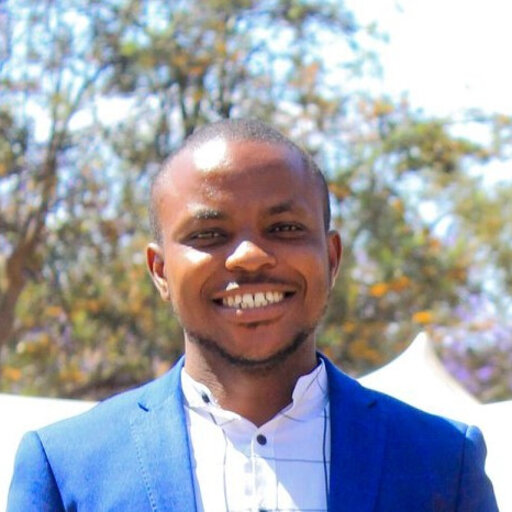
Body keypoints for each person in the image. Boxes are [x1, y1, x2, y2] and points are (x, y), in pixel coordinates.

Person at [7, 119, 498, 511]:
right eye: (208, 234)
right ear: (160, 271)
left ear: (331, 258)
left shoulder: (441, 461)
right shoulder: (67, 468)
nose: (249, 257)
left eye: (284, 228)